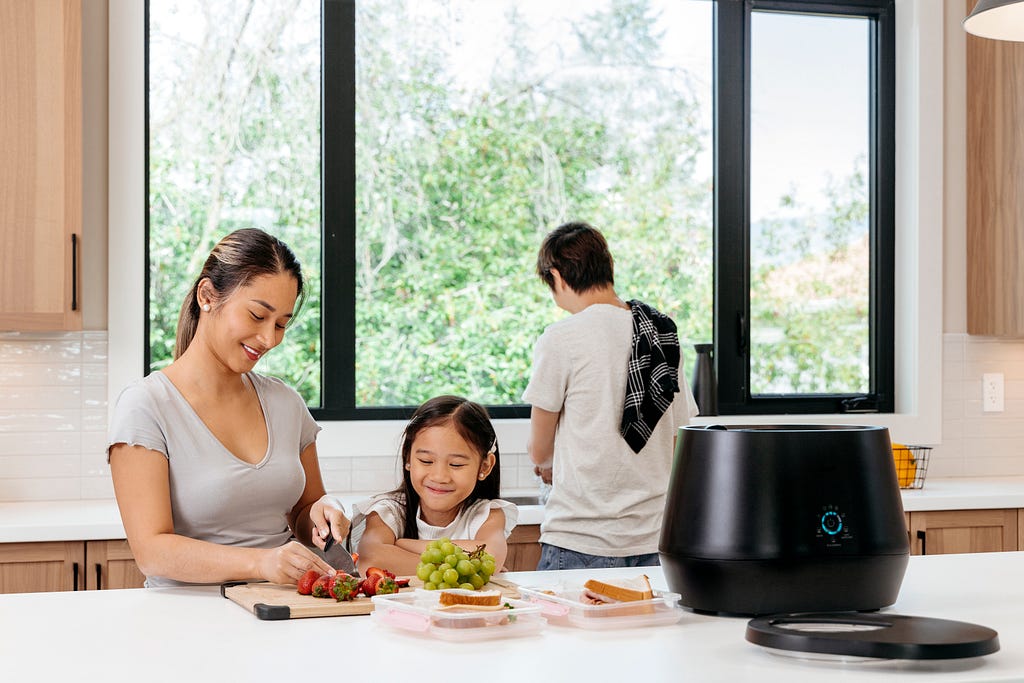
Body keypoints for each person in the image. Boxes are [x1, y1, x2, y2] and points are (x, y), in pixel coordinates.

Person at [107, 228, 349, 587]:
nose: (269, 339)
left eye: (281, 324)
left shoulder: (286, 403)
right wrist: (261, 563)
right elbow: (151, 551)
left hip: (281, 608)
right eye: (256, 316)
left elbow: (303, 512)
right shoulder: (147, 406)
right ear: (207, 296)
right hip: (187, 618)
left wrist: (324, 515)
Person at [522, 221, 699, 570]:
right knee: (651, 628)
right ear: (607, 268)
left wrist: (549, 466)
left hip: (579, 541)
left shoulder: (562, 338)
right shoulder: (661, 335)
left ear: (556, 276)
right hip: (656, 540)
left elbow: (540, 451)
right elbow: (682, 439)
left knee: (568, 627)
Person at [352, 395, 517, 576]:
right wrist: (463, 570)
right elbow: (371, 559)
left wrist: (404, 545)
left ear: (485, 466)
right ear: (408, 457)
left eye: (456, 464)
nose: (440, 477)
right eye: (426, 461)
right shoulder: (389, 510)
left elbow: (490, 557)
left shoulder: (487, 514)